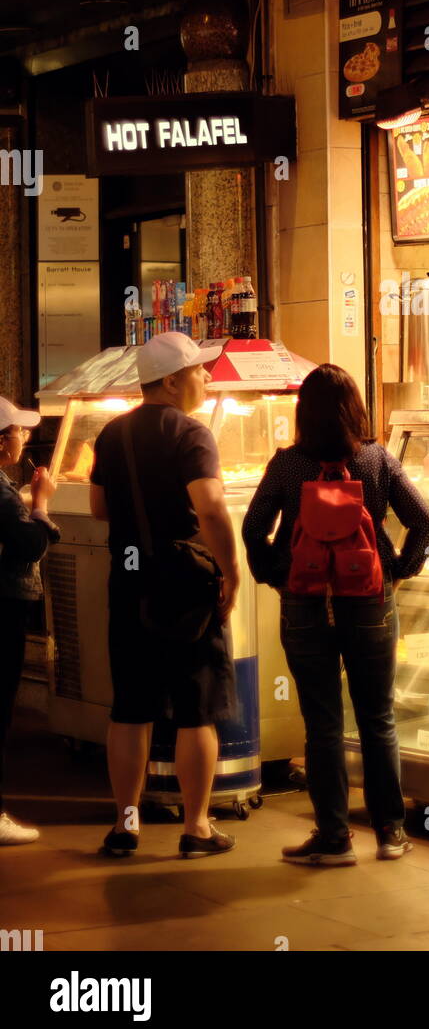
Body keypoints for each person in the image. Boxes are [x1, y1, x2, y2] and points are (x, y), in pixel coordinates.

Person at [243, 363, 429, 867]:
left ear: (303, 412)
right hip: (370, 600)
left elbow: (253, 526)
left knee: (322, 723)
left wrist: (274, 574)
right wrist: (399, 571)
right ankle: (391, 833)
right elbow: (424, 520)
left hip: (305, 601)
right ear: (355, 408)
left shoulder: (287, 465)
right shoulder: (376, 460)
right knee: (379, 717)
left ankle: (333, 839)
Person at [90, 332, 241, 860]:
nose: (205, 378)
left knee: (131, 707)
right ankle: (196, 827)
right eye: (199, 372)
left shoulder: (111, 434)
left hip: (129, 582)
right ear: (172, 381)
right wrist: (232, 568)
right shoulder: (192, 433)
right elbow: (211, 507)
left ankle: (124, 825)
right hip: (185, 586)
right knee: (196, 710)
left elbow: (98, 509)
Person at [0, 397, 59, 845]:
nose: (25, 436)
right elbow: (29, 545)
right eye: (18, 431)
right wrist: (39, 503)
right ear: (2, 442)